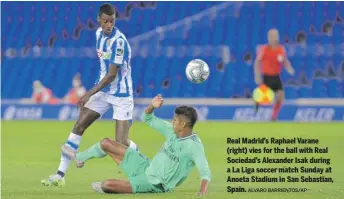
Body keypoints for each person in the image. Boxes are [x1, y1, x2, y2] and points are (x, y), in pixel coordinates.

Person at [41, 3, 138, 187]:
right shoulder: (98, 35)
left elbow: (111, 75)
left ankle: (137, 153)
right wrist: (95, 92)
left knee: (120, 143)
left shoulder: (119, 42)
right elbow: (103, 68)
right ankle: (60, 175)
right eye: (106, 21)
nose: (109, 24)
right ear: (99, 20)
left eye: (112, 21)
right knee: (79, 124)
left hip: (121, 95)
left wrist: (88, 93)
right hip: (102, 92)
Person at [61, 94, 211, 195]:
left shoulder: (194, 146)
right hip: (145, 166)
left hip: (155, 184)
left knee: (106, 185)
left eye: (175, 120)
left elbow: (205, 173)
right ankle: (80, 158)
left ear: (183, 124)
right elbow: (147, 118)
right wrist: (152, 106)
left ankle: (121, 186)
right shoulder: (172, 130)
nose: (173, 122)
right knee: (106, 143)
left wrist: (202, 193)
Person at [254, 28, 295, 121]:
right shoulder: (264, 49)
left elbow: (285, 61)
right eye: (272, 36)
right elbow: (257, 62)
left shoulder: (281, 49)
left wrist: (289, 68)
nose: (274, 38)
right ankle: (257, 102)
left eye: (276, 36)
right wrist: (257, 75)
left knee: (281, 96)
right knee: (263, 97)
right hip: (266, 77)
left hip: (276, 77)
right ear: (268, 37)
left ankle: (274, 116)